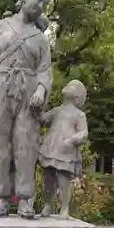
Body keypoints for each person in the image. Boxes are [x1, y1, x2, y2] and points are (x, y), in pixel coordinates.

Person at [0, 0, 52, 218]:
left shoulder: (40, 38)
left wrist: (40, 89)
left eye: (44, 4)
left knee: (26, 144)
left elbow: (45, 70)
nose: (40, 7)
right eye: (38, 0)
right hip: (0, 88)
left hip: (28, 94)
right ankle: (2, 198)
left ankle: (26, 199)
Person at [39, 79, 88, 219]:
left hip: (65, 150)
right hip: (50, 147)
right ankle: (48, 205)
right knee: (48, 179)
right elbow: (43, 119)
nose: (67, 86)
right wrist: (39, 105)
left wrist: (72, 140)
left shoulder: (79, 115)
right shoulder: (57, 111)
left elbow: (84, 132)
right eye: (67, 84)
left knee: (63, 179)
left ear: (78, 97)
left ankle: (64, 208)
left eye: (72, 86)